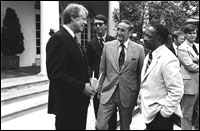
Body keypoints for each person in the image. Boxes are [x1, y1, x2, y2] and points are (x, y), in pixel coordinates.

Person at [46, 3, 96, 130]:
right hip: (67, 107)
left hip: (77, 105)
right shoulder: (58, 38)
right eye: (83, 19)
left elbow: (75, 67)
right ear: (73, 17)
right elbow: (56, 74)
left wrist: (88, 80)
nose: (86, 22)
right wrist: (81, 87)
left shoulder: (72, 38)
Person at [96, 20, 145, 130]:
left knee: (125, 126)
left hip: (128, 93)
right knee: (100, 126)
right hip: (108, 91)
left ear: (130, 32)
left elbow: (140, 74)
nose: (119, 32)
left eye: (122, 30)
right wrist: (99, 88)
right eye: (118, 29)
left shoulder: (138, 49)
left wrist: (139, 94)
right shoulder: (107, 46)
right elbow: (102, 70)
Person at [138, 24, 184, 130]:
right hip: (149, 113)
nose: (144, 39)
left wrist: (164, 113)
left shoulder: (168, 59)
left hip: (160, 116)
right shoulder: (149, 56)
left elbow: (177, 90)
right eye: (145, 35)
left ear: (159, 39)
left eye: (149, 36)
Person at [86, 14, 117, 130]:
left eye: (100, 24)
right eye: (95, 24)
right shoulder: (91, 43)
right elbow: (89, 64)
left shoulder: (113, 41)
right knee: (99, 116)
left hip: (112, 83)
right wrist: (90, 82)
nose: (98, 26)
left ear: (105, 26)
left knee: (112, 116)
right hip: (98, 84)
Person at [177, 24, 199, 130]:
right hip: (189, 85)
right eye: (190, 33)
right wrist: (195, 61)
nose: (192, 35)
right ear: (185, 34)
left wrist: (196, 60)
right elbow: (190, 66)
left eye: (194, 33)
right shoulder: (182, 48)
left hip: (198, 83)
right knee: (186, 114)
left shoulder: (198, 46)